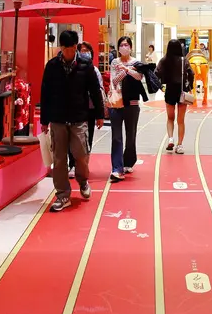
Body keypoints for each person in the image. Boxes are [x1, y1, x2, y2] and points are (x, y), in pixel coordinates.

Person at [40, 30, 104, 213]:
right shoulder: (52, 66)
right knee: (59, 158)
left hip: (79, 118)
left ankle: (83, 181)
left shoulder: (85, 65)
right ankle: (62, 194)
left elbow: (95, 91)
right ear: (61, 48)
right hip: (58, 118)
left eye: (72, 48)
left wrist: (99, 114)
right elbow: (45, 93)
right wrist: (44, 120)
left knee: (81, 154)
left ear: (76, 47)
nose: (68, 52)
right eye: (65, 48)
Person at [108, 36, 148, 182]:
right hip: (117, 103)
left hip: (132, 103)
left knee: (131, 135)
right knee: (116, 137)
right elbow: (114, 81)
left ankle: (129, 161)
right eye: (122, 45)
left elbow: (139, 77)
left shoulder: (136, 62)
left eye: (126, 45)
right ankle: (116, 168)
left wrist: (127, 69)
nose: (124, 47)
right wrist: (125, 71)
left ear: (131, 47)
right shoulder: (114, 62)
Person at [68, 42, 105, 178]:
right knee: (73, 138)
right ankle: (72, 164)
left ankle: (83, 164)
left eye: (87, 50)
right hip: (76, 109)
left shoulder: (94, 70)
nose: (84, 53)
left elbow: (99, 91)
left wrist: (100, 113)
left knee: (87, 137)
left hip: (90, 109)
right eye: (82, 50)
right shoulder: (73, 68)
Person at [156, 39, 194, 154]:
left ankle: (170, 139)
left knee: (170, 118)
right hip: (182, 90)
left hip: (170, 90)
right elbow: (191, 73)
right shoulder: (184, 60)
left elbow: (156, 73)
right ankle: (180, 145)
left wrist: (161, 86)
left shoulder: (164, 60)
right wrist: (190, 86)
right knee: (181, 120)